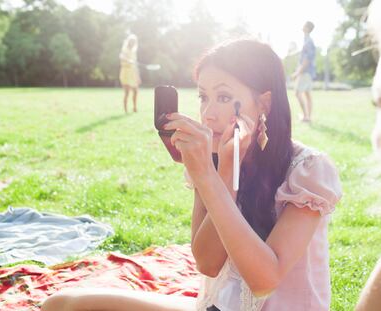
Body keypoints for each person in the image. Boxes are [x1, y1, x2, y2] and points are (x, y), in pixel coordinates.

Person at [42, 39, 342, 311]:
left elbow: (264, 280)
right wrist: (219, 171)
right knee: (62, 305)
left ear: (263, 103)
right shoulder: (209, 161)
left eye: (224, 98)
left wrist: (208, 178)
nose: (208, 113)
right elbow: (207, 263)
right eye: (202, 97)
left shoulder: (308, 170)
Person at [292, 21, 316, 123]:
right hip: (308, 72)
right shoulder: (307, 41)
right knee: (307, 94)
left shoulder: (308, 42)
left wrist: (297, 72)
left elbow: (307, 60)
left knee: (297, 93)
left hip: (305, 72)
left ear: (306, 28)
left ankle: (306, 116)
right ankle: (307, 116)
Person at [119, 34, 141, 113]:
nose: (133, 43)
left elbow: (135, 66)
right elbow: (121, 56)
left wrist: (138, 77)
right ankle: (126, 110)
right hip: (126, 73)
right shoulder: (124, 50)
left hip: (133, 73)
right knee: (127, 92)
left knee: (135, 91)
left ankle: (135, 108)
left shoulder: (134, 52)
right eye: (132, 41)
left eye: (134, 42)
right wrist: (128, 60)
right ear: (129, 42)